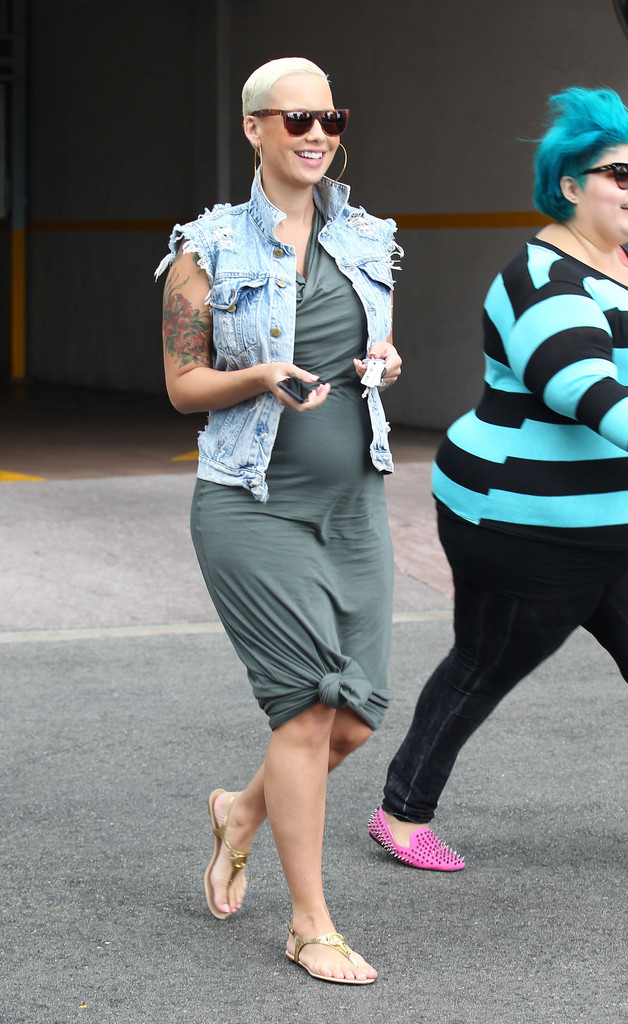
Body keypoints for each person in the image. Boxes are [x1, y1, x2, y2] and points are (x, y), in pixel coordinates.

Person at [156, 57, 403, 984]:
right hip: (251, 503)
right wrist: (260, 374)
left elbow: (373, 349)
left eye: (331, 118)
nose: (317, 134)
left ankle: (243, 810)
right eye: (295, 118)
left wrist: (386, 362)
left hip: (354, 503)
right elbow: (183, 386)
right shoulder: (206, 249)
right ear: (253, 128)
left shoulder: (370, 237)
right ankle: (309, 924)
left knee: (357, 718)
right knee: (306, 707)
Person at [369, 86, 628, 870]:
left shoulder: (620, 264)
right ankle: (401, 813)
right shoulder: (541, 281)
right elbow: (583, 386)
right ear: (569, 184)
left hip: (611, 519)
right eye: (620, 174)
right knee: (486, 663)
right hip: (524, 524)